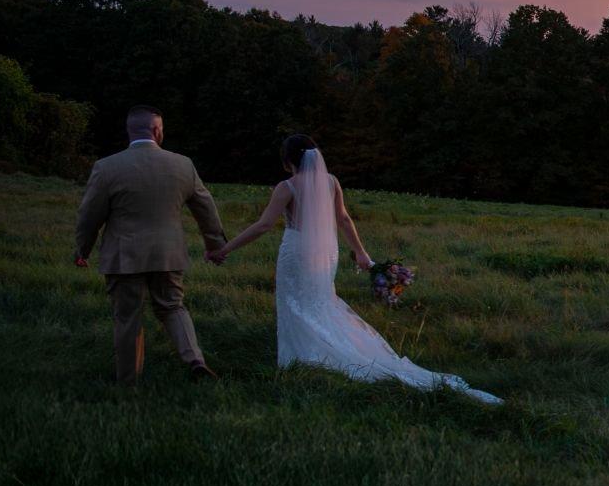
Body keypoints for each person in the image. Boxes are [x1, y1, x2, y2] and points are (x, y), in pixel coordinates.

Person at [212, 135, 499, 404]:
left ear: (287, 161)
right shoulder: (331, 181)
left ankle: (301, 357)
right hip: (326, 252)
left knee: (294, 301)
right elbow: (344, 219)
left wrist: (227, 248)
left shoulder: (286, 187)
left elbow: (264, 225)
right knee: (319, 301)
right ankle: (315, 352)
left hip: (297, 251)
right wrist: (361, 252)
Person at [74, 105, 227, 382]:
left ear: (129, 131)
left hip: (124, 255)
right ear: (157, 130)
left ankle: (128, 382)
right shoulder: (182, 164)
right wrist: (215, 244)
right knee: (172, 307)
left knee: (128, 316)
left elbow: (89, 215)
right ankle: (194, 359)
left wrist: (82, 249)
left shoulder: (107, 167)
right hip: (168, 253)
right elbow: (206, 208)